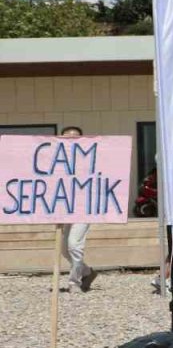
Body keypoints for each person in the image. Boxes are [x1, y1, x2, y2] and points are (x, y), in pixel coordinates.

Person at [55, 126, 98, 293]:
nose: (71, 140)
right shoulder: (57, 162)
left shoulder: (87, 159)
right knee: (65, 249)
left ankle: (74, 283)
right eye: (67, 137)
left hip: (83, 208)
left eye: (75, 138)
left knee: (74, 245)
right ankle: (87, 272)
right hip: (65, 208)